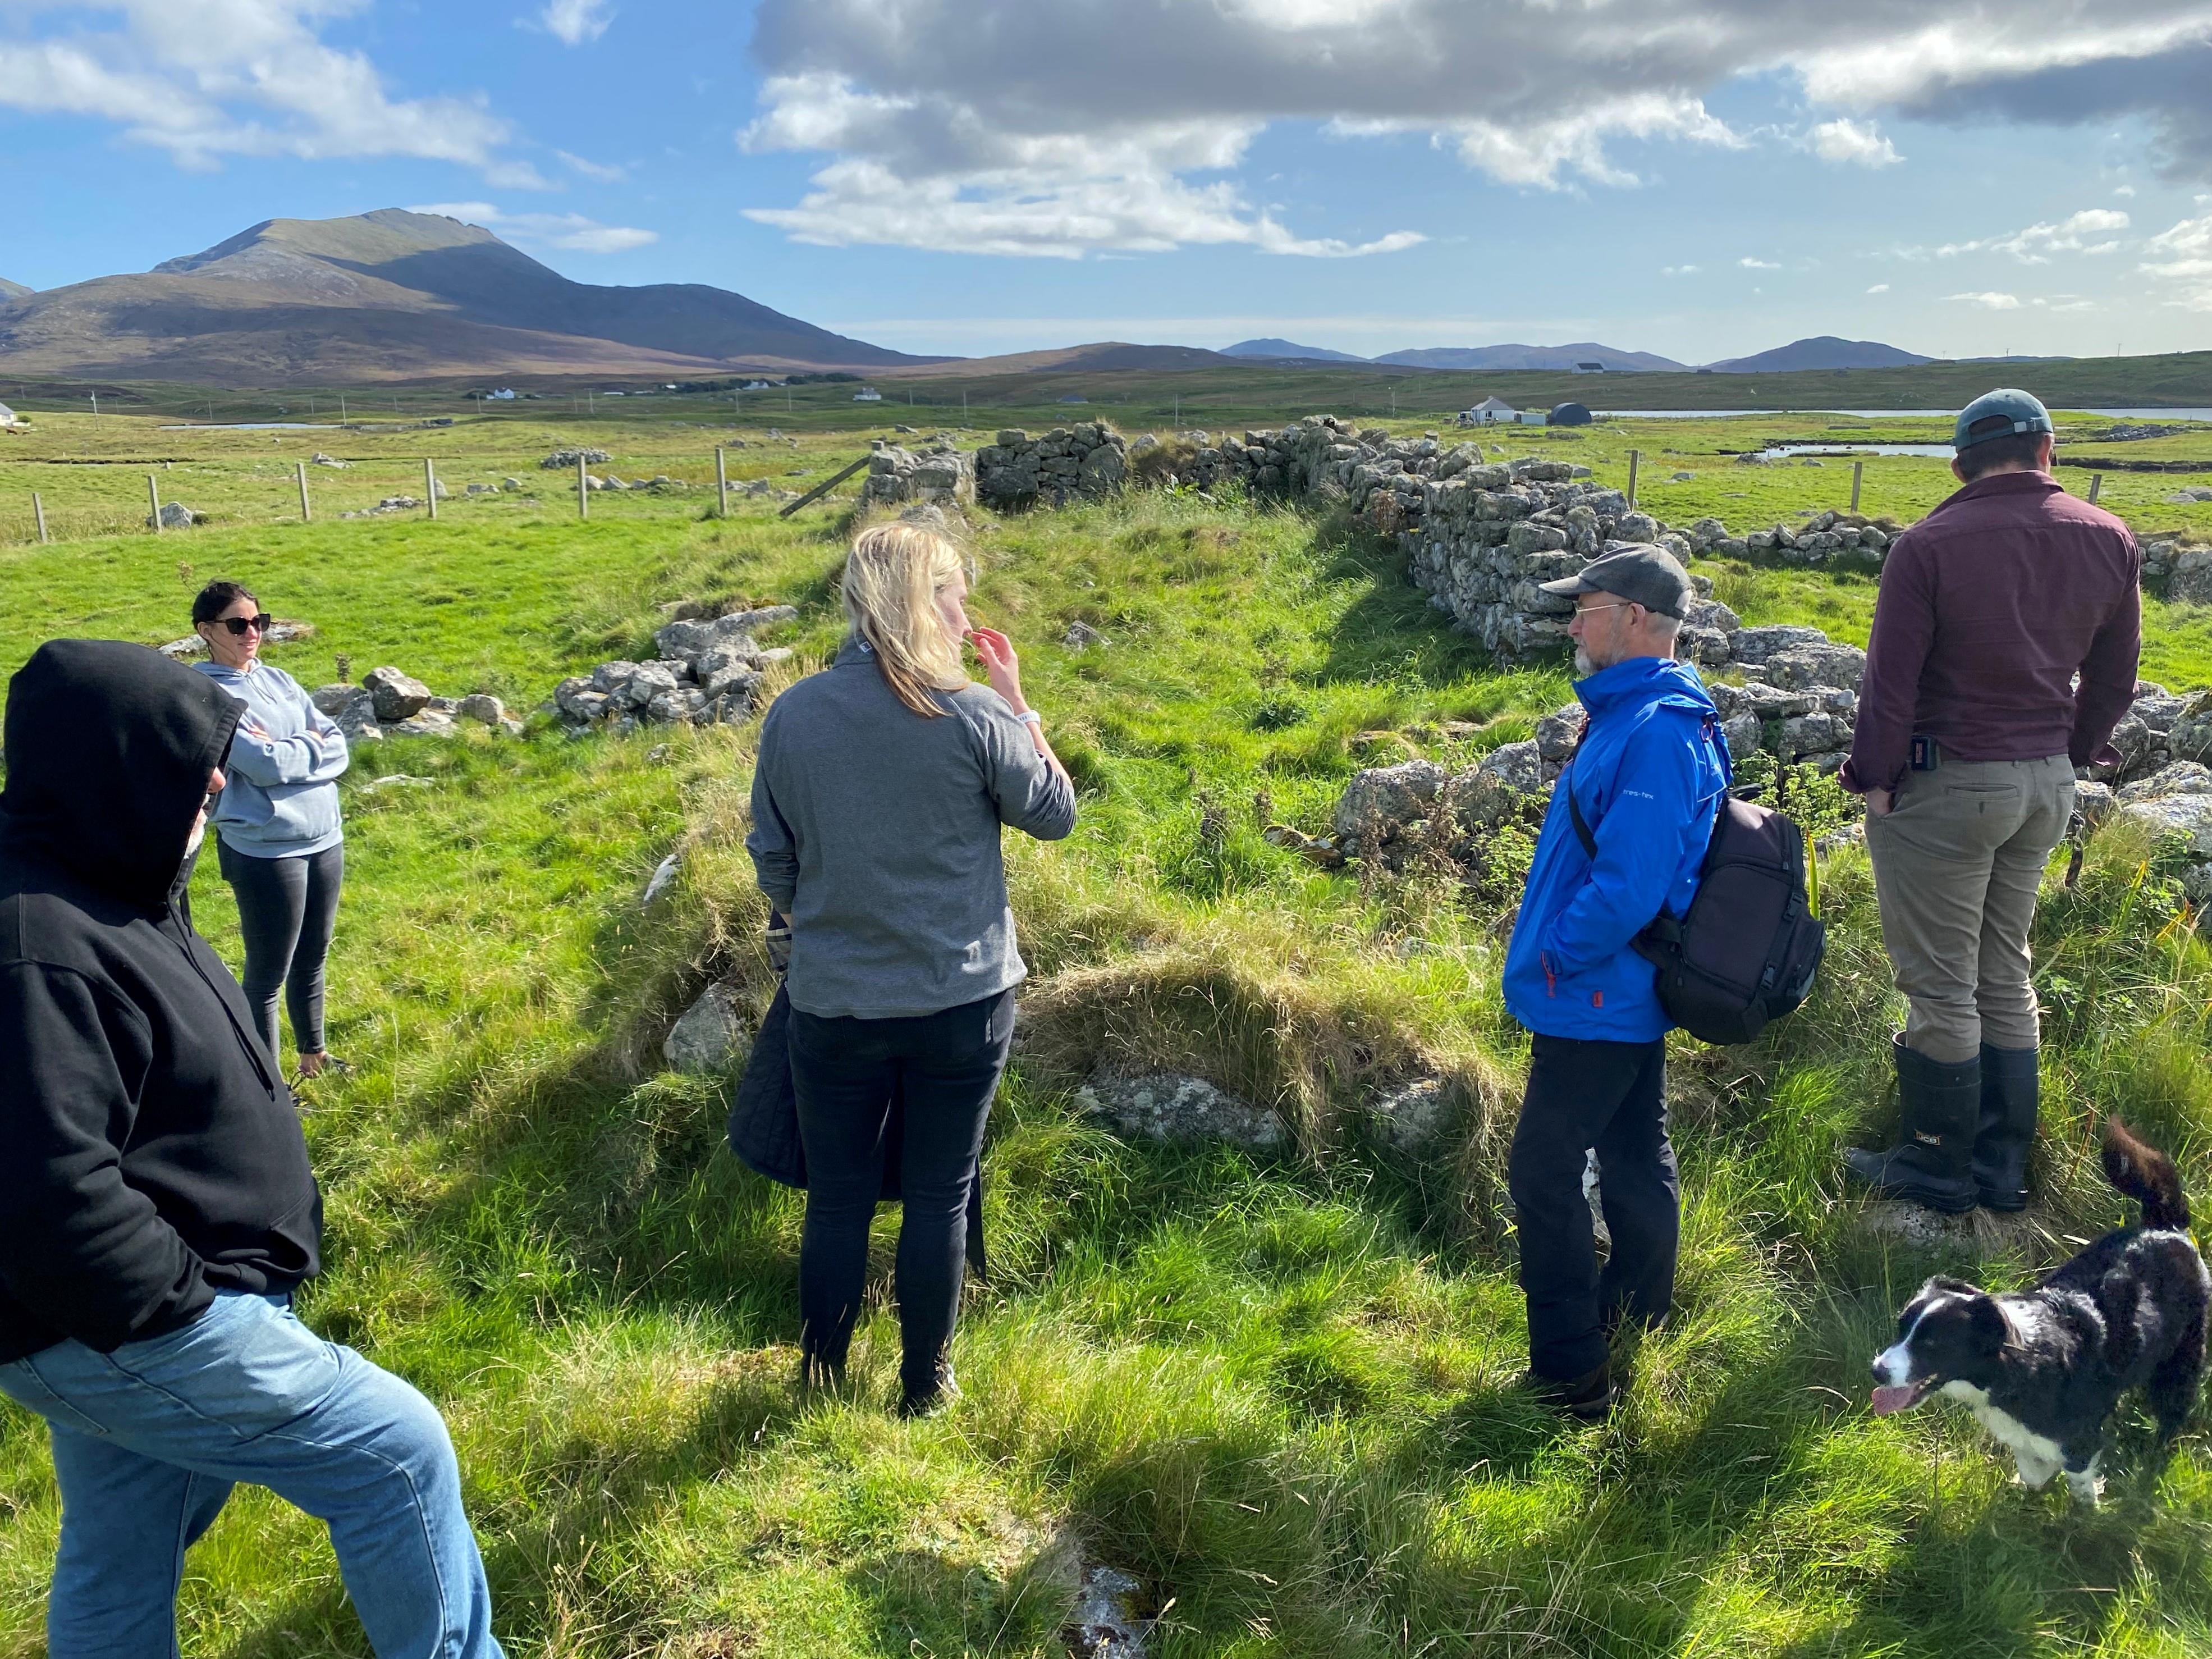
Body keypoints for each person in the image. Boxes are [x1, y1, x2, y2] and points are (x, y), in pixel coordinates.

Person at [0, 639, 502, 1658]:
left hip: (112, 1321)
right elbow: (45, 1191)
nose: (219, 778)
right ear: (114, 764)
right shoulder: (34, 945)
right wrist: (190, 1305)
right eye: (192, 758)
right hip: (128, 1324)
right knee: (394, 1451)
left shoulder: (110, 864)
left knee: (122, 1547)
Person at [747, 522, 1077, 1415]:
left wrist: (810, 919)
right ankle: (924, 1387)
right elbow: (1053, 813)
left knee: (838, 1197)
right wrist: (1021, 707)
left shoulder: (795, 712)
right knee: (939, 1194)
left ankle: (820, 1376)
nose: (965, 613)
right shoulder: (971, 711)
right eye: (955, 593)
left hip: (835, 996)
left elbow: (770, 856)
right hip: (961, 998)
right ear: (923, 600)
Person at [1840, 389, 2141, 1213]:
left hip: (1950, 781)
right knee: (2003, 967)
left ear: (1958, 465)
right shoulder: (2108, 536)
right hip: (2044, 779)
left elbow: (1889, 684)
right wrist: (2069, 753)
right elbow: (2115, 677)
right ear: (2047, 450)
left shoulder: (1928, 545)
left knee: (1939, 981)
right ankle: (2002, 1165)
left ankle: (1938, 1164)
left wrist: (1873, 776)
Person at [1500, 547, 1730, 1418]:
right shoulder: (1639, 714)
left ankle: (1570, 1375)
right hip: (1615, 988)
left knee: (1542, 1171)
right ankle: (1636, 1321)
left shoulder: (1657, 728)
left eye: (1584, 607)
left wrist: (1557, 953)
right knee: (1635, 1155)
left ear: (1634, 617)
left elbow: (1630, 885)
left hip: (1596, 991)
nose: (1572, 624)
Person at [189, 580, 350, 1080]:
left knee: (314, 955)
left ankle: (314, 1054)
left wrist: (291, 750)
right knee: (267, 975)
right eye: (238, 624)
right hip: (265, 849)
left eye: (259, 622)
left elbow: (339, 744)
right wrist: (304, 747)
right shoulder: (205, 695)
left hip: (324, 834)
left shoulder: (278, 679)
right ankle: (270, 1090)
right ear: (205, 631)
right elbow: (261, 765)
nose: (252, 632)